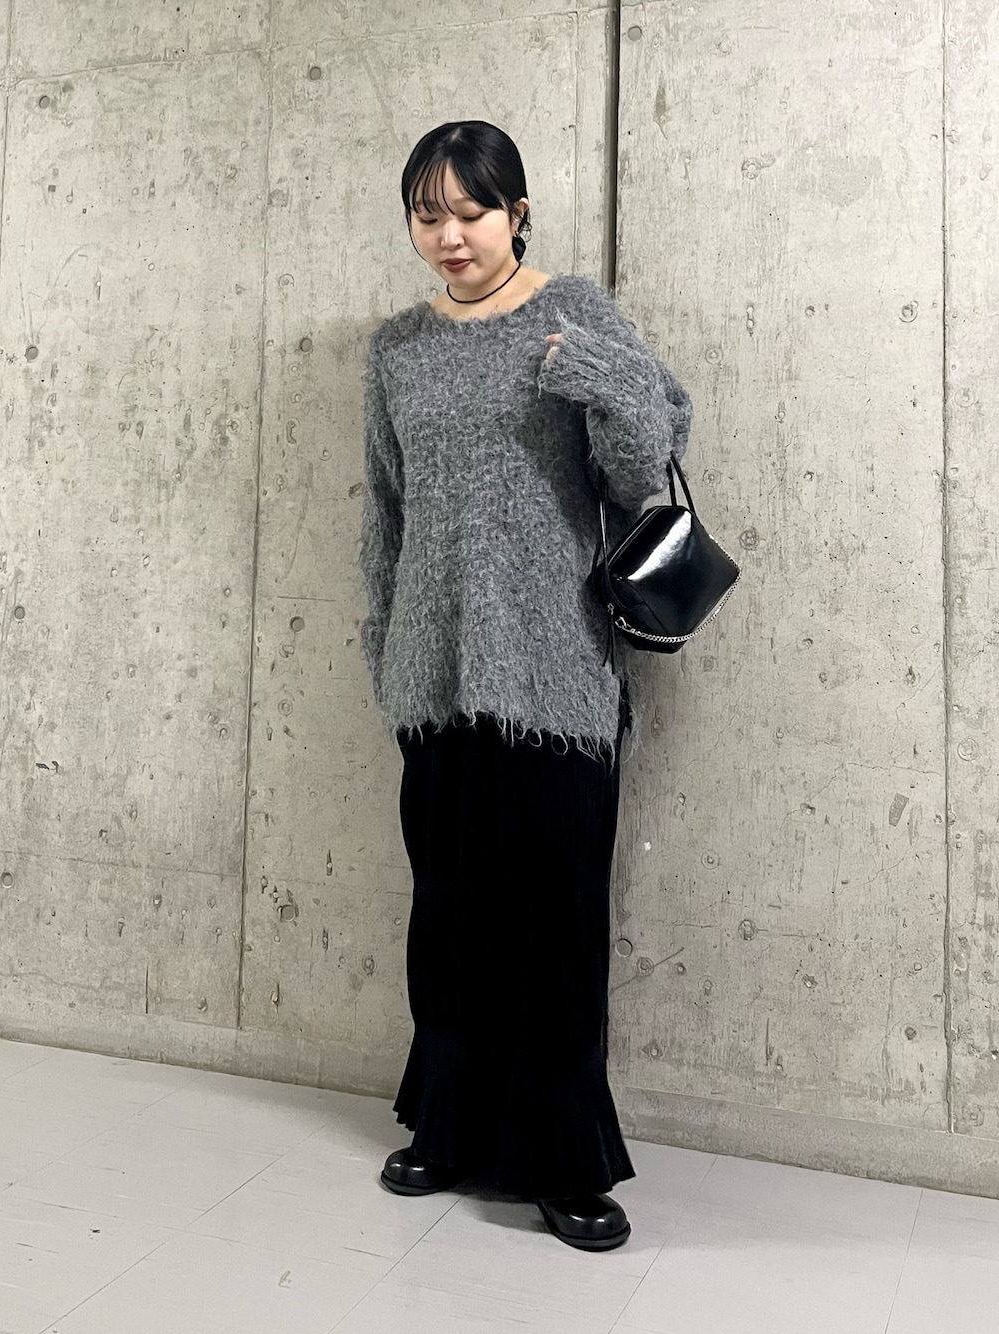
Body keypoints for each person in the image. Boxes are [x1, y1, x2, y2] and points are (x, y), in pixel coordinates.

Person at [359, 121, 692, 1252]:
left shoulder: (574, 312)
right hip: (435, 675)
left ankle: (560, 1159)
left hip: (557, 675)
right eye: (428, 215)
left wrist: (591, 373)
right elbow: (385, 512)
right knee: (449, 916)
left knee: (555, 922)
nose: (449, 236)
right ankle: (448, 1127)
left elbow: (642, 467)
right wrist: (384, 647)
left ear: (518, 213)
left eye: (470, 212)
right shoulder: (397, 349)